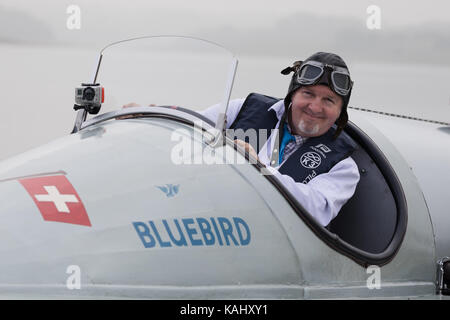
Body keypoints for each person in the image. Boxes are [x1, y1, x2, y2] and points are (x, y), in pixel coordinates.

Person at [200, 52, 360, 227]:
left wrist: (257, 168)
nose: (315, 107)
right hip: (205, 215)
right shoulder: (240, 109)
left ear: (340, 112)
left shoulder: (344, 168)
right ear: (292, 94)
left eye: (328, 100)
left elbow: (316, 210)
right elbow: (186, 131)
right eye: (308, 93)